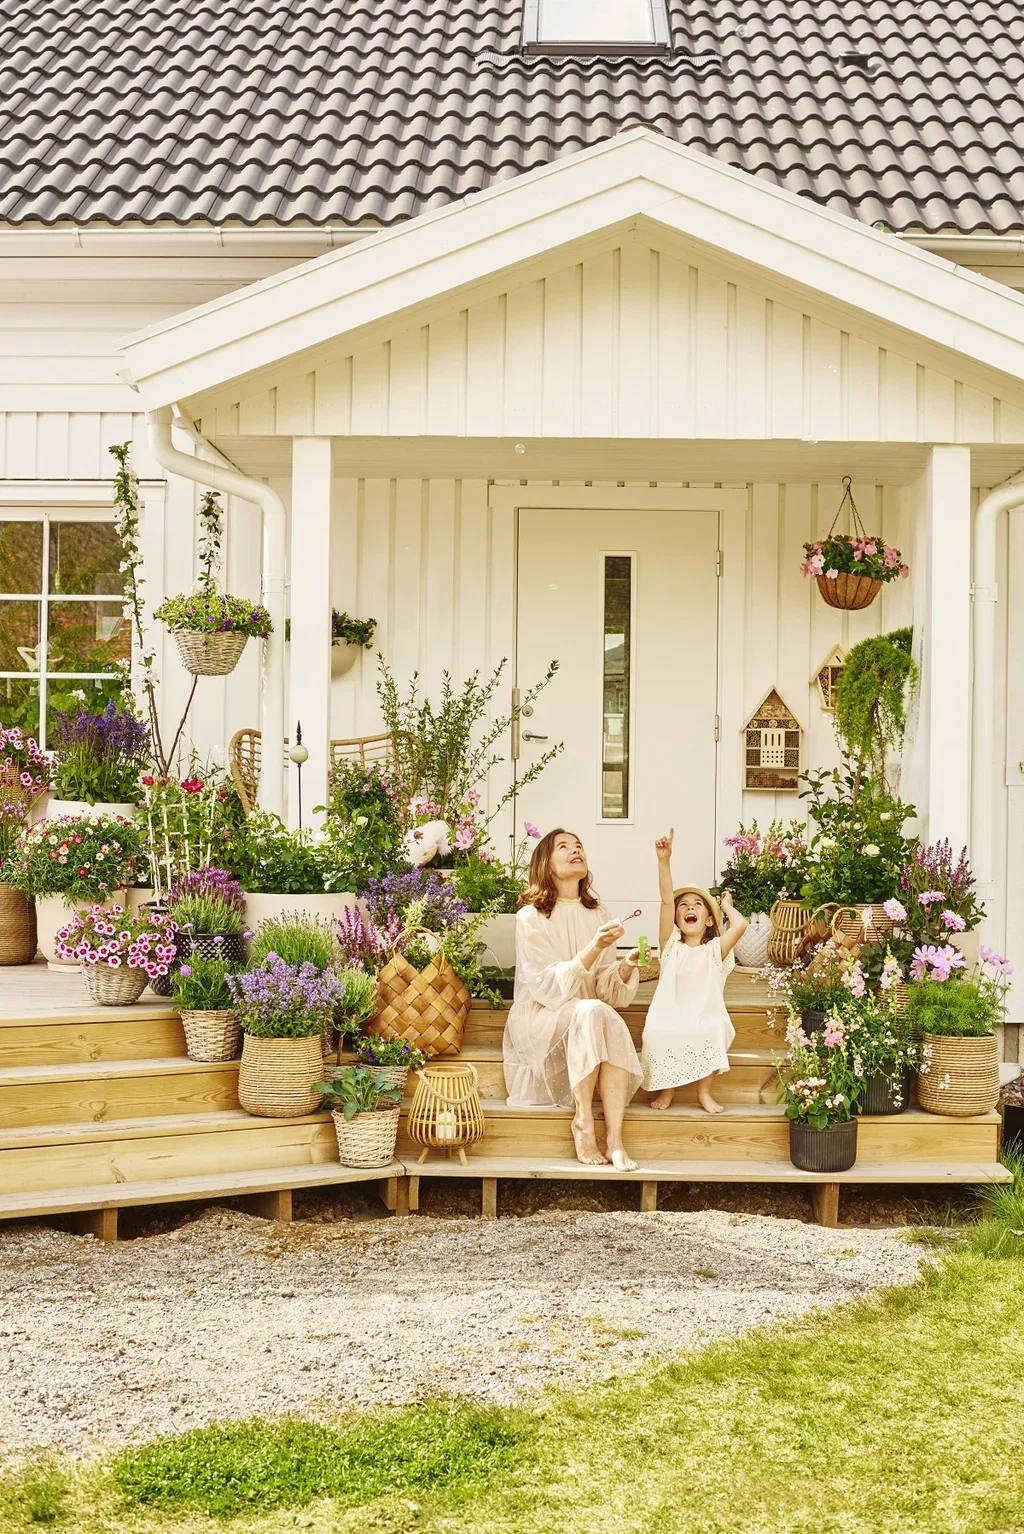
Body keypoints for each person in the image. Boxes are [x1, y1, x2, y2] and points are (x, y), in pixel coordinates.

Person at [503, 828, 643, 1170]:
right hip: (541, 1017)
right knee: (595, 1013)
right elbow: (546, 987)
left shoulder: (598, 913)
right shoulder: (530, 916)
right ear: (546, 865)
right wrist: (594, 947)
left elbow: (604, 989)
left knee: (600, 1013)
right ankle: (583, 1119)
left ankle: (615, 1138)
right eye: (563, 847)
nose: (575, 850)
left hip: (586, 1014)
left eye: (578, 845)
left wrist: (625, 967)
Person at [640, 828, 748, 1114]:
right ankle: (668, 1088)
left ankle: (703, 1092)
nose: (689, 908)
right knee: (656, 1032)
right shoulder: (670, 947)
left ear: (709, 920)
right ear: (677, 919)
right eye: (683, 906)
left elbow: (739, 926)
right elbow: (665, 900)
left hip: (704, 1016)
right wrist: (664, 861)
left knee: (714, 1031)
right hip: (669, 1014)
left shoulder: (715, 950)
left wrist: (725, 906)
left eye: (698, 905)